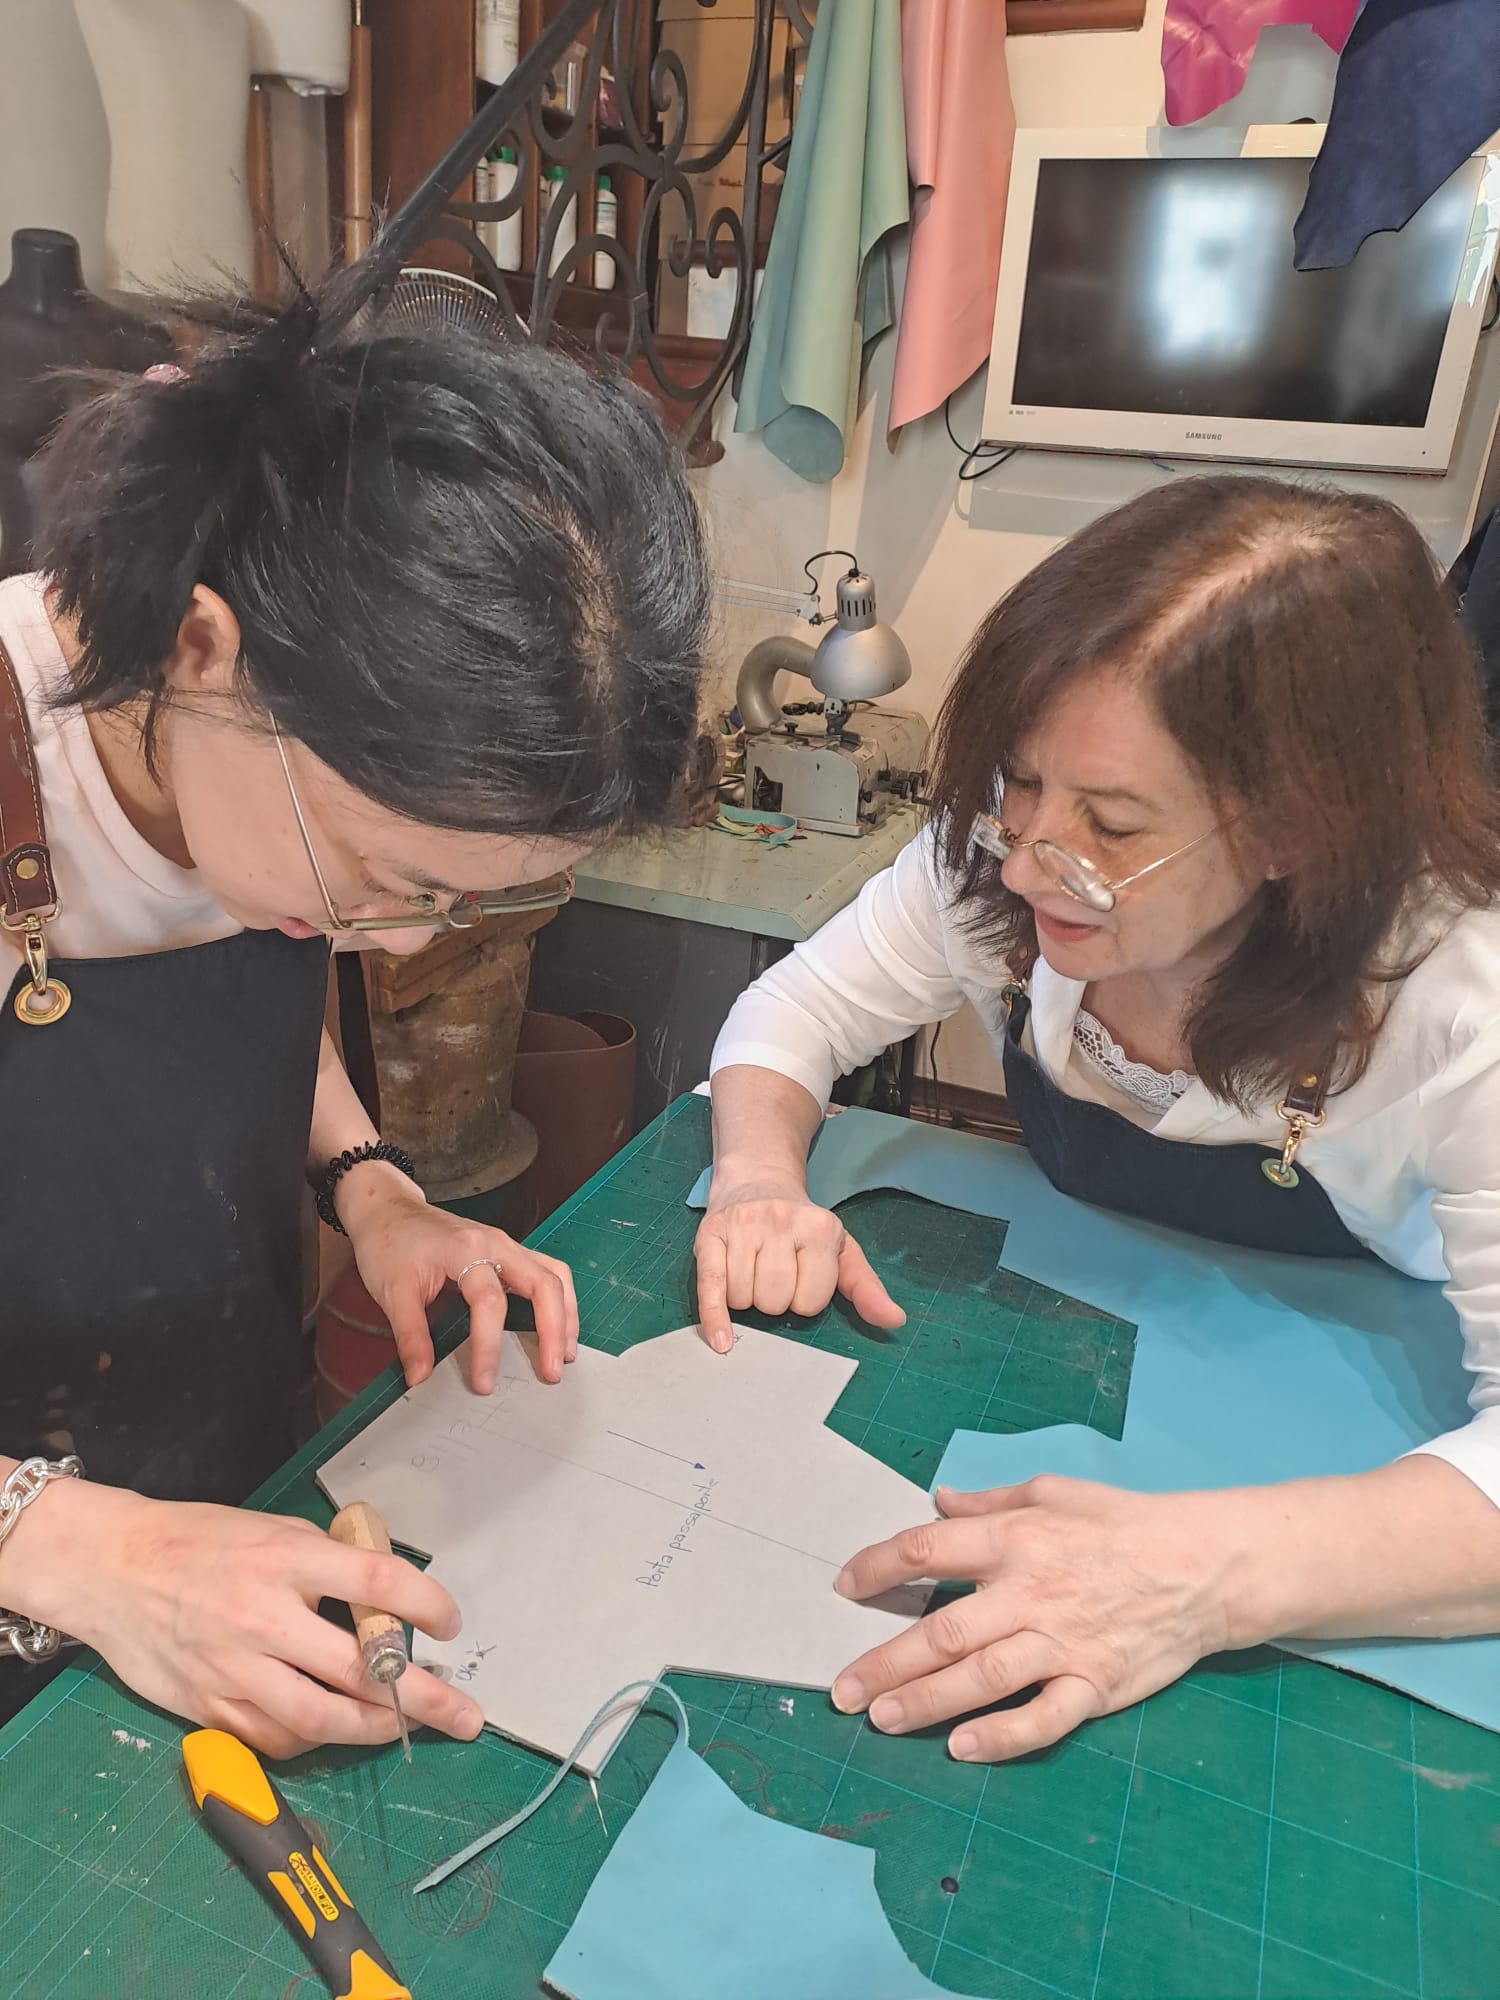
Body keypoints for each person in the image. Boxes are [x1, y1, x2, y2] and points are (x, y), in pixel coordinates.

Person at [0, 281, 709, 1754]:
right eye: (387, 880)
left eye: (460, 903)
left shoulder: (253, 783)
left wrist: (368, 1185)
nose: (396, 941)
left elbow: (252, 961)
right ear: (201, 648)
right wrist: (85, 1553)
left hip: (209, 1494)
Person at [696, 475, 1500, 1762]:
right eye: (1021, 784)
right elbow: (793, 1016)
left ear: (1297, 826)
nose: (1024, 862)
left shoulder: (1460, 999)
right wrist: (751, 1175)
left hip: (1364, 1407)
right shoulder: (1000, 861)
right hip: (1095, 1310)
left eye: (1111, 826)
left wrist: (1194, 1579)